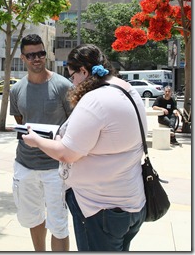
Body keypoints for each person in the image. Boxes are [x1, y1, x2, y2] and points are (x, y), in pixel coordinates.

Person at [22, 44, 147, 251]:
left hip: (101, 209)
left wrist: (36, 140)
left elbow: (67, 153)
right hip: (131, 203)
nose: (72, 82)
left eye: (72, 76)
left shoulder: (94, 99)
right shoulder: (126, 89)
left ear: (83, 71)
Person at [9, 34, 72, 251]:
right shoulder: (16, 90)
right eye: (31, 55)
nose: (37, 58)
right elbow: (21, 122)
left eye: (41, 53)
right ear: (23, 58)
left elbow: (74, 124)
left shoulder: (63, 86)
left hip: (56, 168)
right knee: (33, 218)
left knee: (59, 224)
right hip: (25, 166)